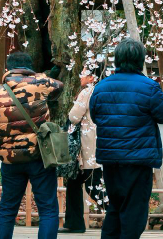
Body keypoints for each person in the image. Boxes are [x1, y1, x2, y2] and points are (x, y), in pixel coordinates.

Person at [90, 38, 163, 239]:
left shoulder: (101, 87)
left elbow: (95, 116)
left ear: (117, 60)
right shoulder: (149, 87)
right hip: (138, 159)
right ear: (140, 60)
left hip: (111, 159)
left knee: (115, 208)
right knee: (134, 212)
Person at [0, 52, 64, 239]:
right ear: (30, 68)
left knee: (7, 208)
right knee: (47, 208)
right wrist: (40, 76)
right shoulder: (41, 83)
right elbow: (59, 87)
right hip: (39, 155)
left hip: (10, 158)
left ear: (8, 68)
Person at [60, 69, 105, 234]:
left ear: (92, 77)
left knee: (92, 185)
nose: (80, 77)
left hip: (87, 146)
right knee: (74, 182)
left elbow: (73, 116)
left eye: (84, 74)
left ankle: (118, 213)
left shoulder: (88, 92)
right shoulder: (103, 90)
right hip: (95, 143)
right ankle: (73, 222)